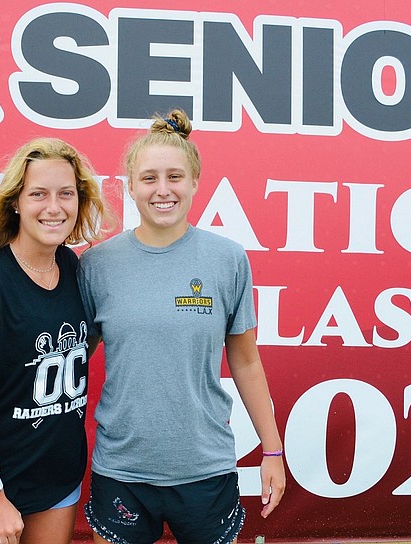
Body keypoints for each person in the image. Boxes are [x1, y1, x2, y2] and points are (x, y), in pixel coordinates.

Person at [77, 109, 286, 544]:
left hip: (204, 468)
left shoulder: (227, 259)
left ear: (194, 182)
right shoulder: (98, 265)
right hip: (122, 469)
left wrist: (272, 450)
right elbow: (70, 361)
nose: (163, 190)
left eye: (175, 176)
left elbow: (245, 362)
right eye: (149, 178)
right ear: (130, 185)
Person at [0, 137, 107, 544]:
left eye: (66, 194)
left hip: (57, 479)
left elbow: (82, 345)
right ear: (15, 202)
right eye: (38, 194)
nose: (54, 207)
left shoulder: (71, 266)